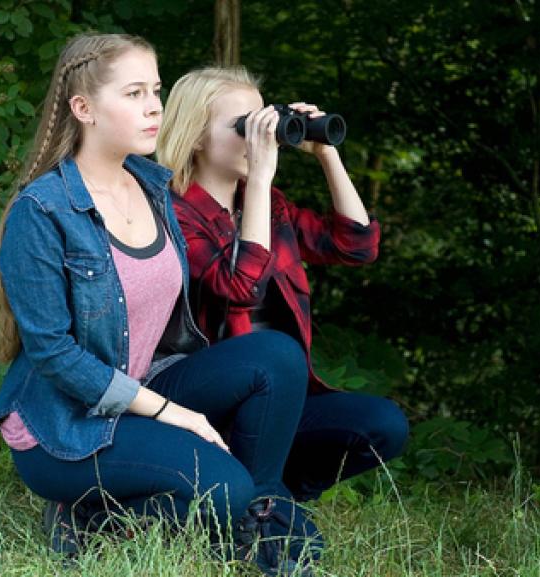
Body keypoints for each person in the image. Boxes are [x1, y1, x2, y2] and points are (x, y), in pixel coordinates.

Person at [0, 33, 316, 575]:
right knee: (223, 487)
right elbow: (55, 355)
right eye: (134, 93)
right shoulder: (41, 212)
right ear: (84, 109)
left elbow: (235, 287)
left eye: (156, 91)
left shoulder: (154, 187)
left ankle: (258, 518)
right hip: (66, 428)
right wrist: (173, 413)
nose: (154, 107)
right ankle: (88, 516)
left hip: (144, 384)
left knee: (276, 356)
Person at [157, 66, 409, 505]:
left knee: (382, 424)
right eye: (245, 126)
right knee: (273, 352)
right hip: (208, 399)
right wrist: (259, 179)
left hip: (278, 396)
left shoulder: (269, 206)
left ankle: (277, 494)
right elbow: (240, 288)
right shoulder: (171, 212)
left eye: (264, 123)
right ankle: (257, 502)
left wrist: (327, 154)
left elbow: (356, 246)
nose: (260, 138)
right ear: (195, 136)